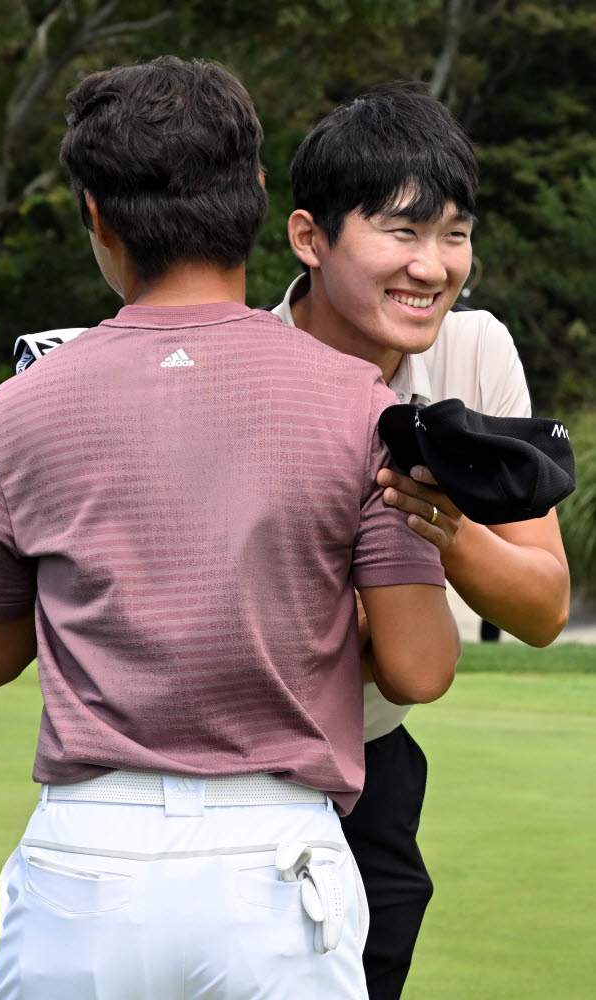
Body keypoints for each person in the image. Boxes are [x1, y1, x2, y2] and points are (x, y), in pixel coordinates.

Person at [0, 60, 460, 1000]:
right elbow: (419, 668)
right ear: (263, 198)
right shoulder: (362, 402)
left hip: (85, 860)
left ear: (96, 215)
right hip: (277, 866)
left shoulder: (20, 408)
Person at [272, 84, 570, 998]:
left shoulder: (475, 348)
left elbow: (542, 604)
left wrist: (439, 529)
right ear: (309, 238)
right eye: (401, 232)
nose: (432, 265)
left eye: (453, 233)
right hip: (259, 776)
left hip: (379, 762)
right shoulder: (247, 365)